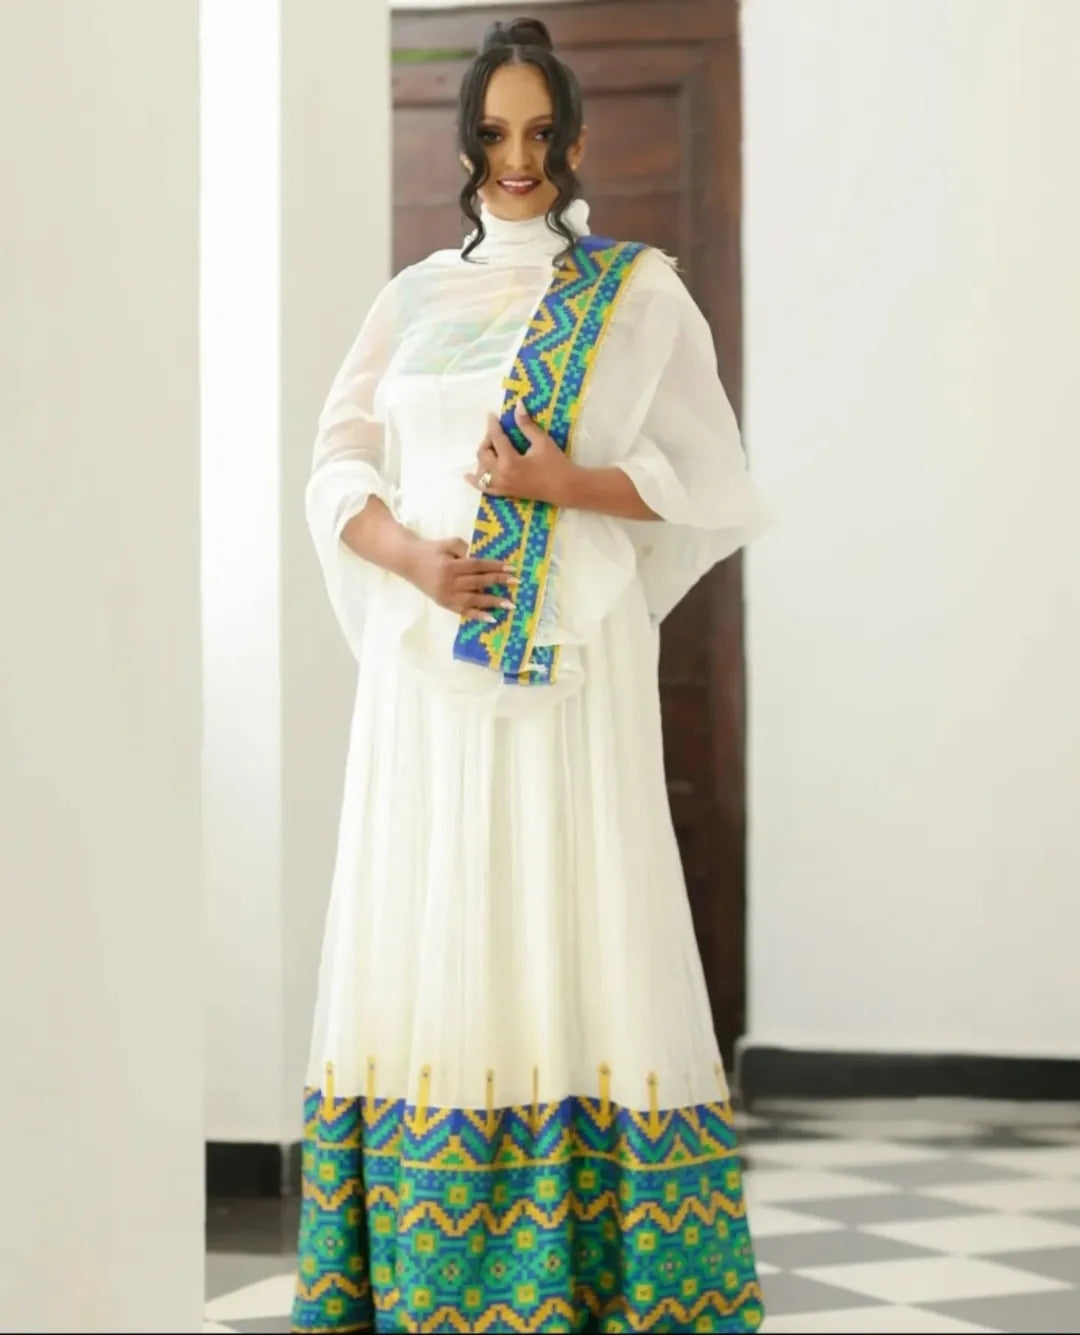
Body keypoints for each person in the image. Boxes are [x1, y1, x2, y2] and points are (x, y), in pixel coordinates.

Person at [292, 16, 770, 1334]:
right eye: (494, 134)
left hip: (570, 668)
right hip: (427, 668)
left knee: (573, 914)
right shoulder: (413, 298)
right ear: (463, 142)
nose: (519, 158)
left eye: (541, 132)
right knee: (439, 917)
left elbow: (714, 483)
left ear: (571, 134)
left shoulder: (638, 291)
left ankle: (600, 1268)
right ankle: (439, 1269)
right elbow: (336, 468)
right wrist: (408, 556)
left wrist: (565, 482)